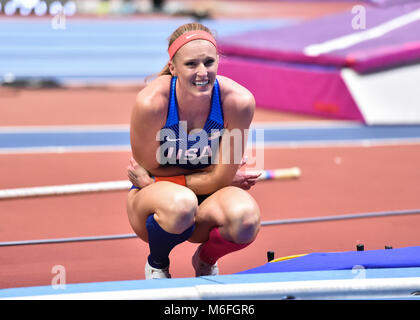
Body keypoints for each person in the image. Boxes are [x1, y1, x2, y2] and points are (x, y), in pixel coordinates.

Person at [126, 22, 261, 279]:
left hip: (205, 198)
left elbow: (154, 177)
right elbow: (147, 172)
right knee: (181, 204)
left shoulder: (238, 102)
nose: (202, 72)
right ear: (173, 68)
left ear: (218, 61)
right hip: (158, 207)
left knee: (246, 220)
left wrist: (160, 179)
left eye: (209, 62)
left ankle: (204, 260)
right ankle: (157, 263)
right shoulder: (152, 104)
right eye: (191, 64)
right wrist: (214, 171)